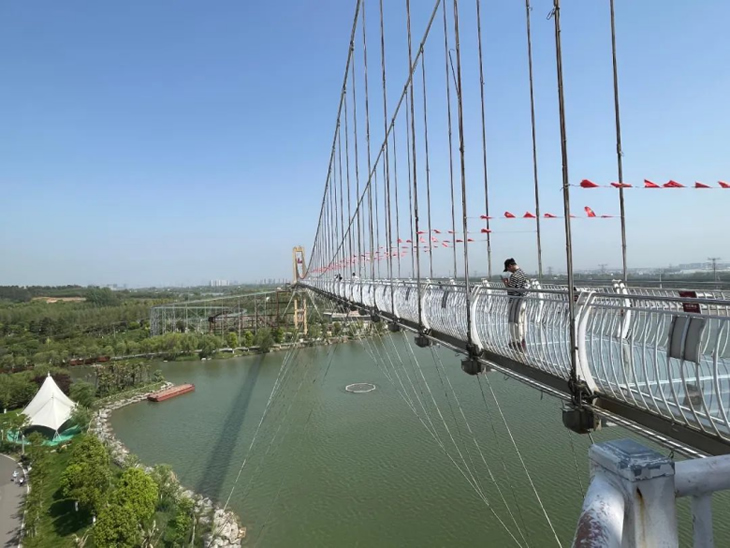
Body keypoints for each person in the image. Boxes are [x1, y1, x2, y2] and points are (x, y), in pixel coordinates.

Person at [504, 258, 528, 351]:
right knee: (522, 322)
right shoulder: (522, 273)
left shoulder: (514, 276)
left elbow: (511, 290)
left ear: (510, 266)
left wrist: (506, 284)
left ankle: (517, 342)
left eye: (508, 269)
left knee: (514, 322)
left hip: (516, 302)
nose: (509, 271)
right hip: (523, 301)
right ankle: (522, 341)